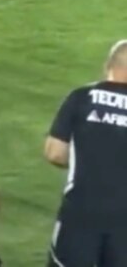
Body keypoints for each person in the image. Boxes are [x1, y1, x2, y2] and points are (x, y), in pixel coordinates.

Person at [44, 39, 127, 266]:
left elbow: (54, 152)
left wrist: (87, 160)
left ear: (107, 65)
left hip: (81, 211)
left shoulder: (81, 96)